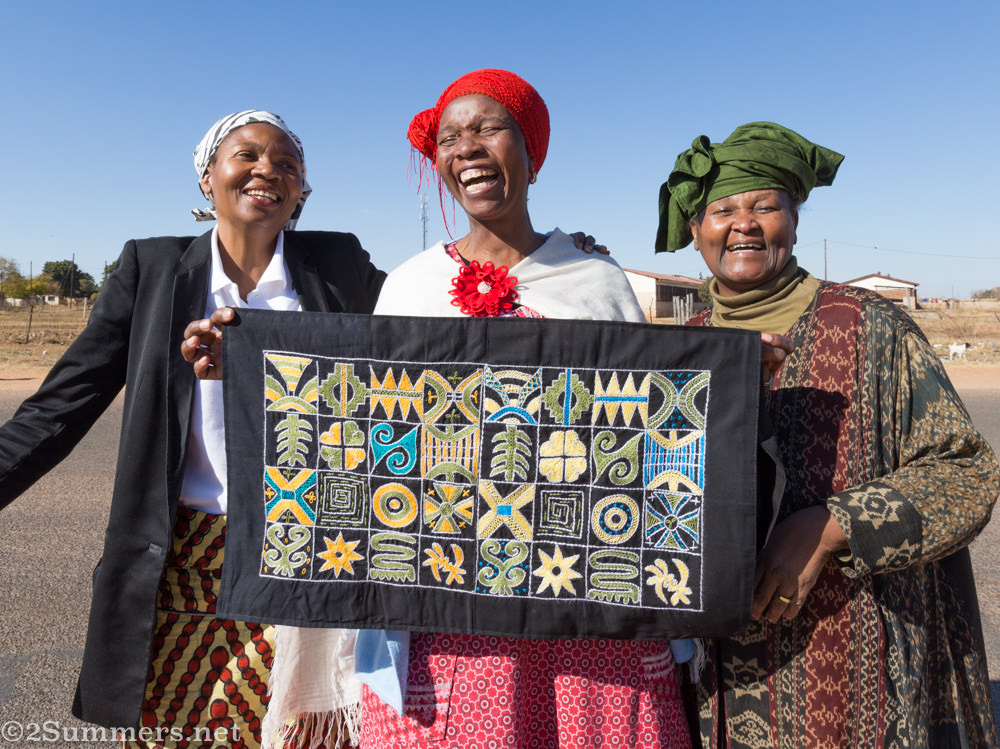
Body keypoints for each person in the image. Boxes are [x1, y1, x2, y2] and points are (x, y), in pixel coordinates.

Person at [250, 69, 694, 749]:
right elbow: (361, 436)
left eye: (488, 127)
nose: (468, 148)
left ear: (531, 152)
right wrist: (240, 361)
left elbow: (646, 442)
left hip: (580, 607)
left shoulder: (596, 282)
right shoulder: (410, 285)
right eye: (451, 137)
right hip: (443, 610)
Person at [0, 111, 385, 748]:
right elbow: (57, 410)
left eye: (288, 164)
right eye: (249, 155)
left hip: (309, 559)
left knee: (302, 732)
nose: (269, 170)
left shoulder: (339, 267)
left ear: (301, 193)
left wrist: (543, 271)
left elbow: (429, 343)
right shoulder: (152, 271)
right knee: (176, 731)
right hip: (183, 561)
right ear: (208, 178)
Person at [655, 121, 999, 747]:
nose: (744, 224)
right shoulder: (678, 349)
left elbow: (965, 472)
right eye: (722, 209)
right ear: (695, 231)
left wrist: (828, 526)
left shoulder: (871, 328)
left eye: (766, 206)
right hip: (710, 679)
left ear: (794, 217)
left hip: (853, 655)